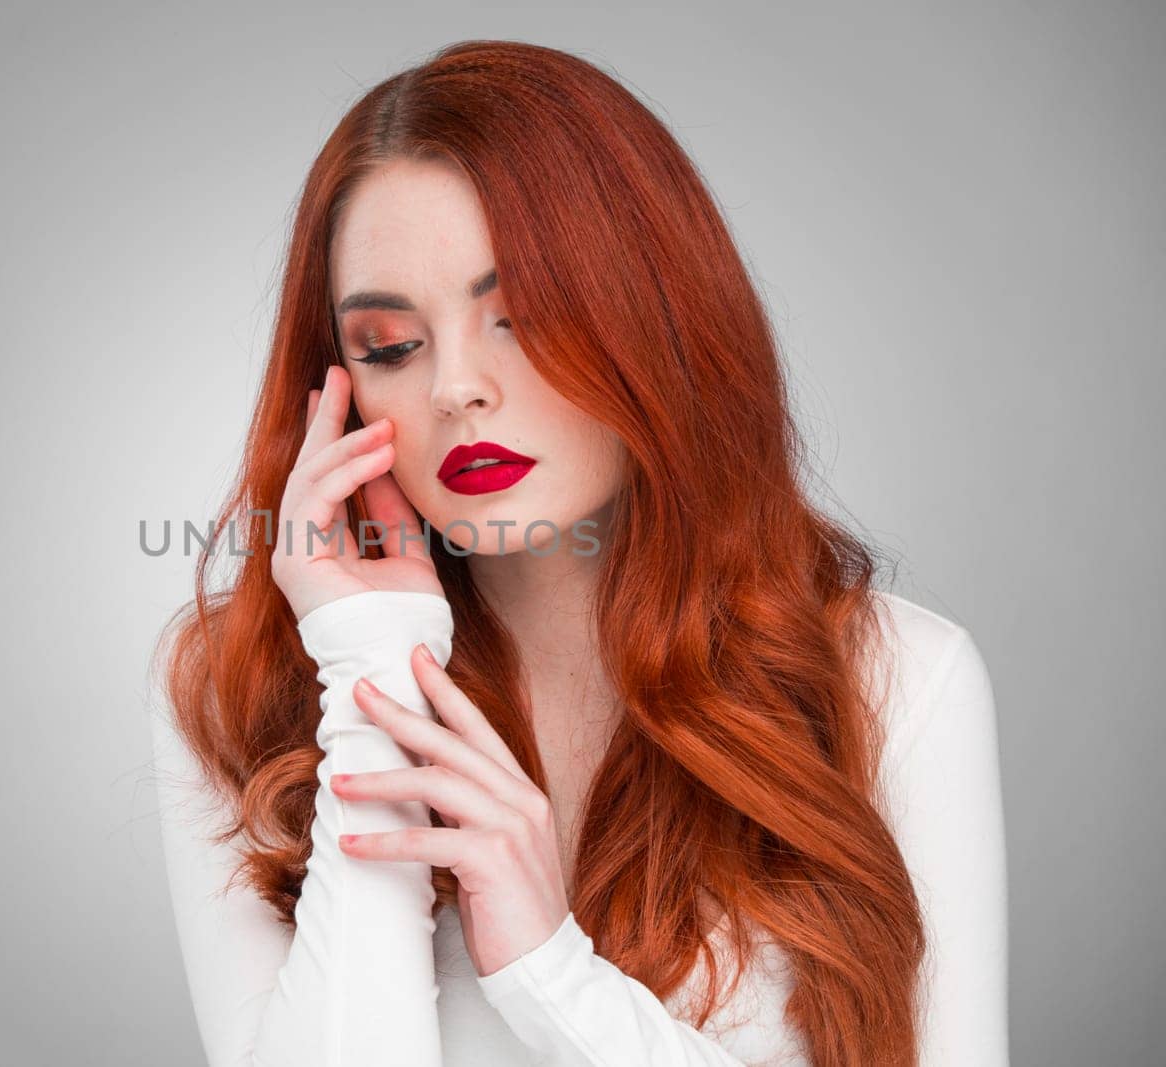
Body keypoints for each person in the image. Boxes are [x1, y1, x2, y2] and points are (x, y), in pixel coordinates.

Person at [147, 39, 1007, 1067]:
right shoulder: (236, 685)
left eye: (520, 318)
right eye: (390, 345)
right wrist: (370, 662)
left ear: (654, 317)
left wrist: (551, 972)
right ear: (340, 383)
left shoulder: (899, 681)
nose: (456, 387)